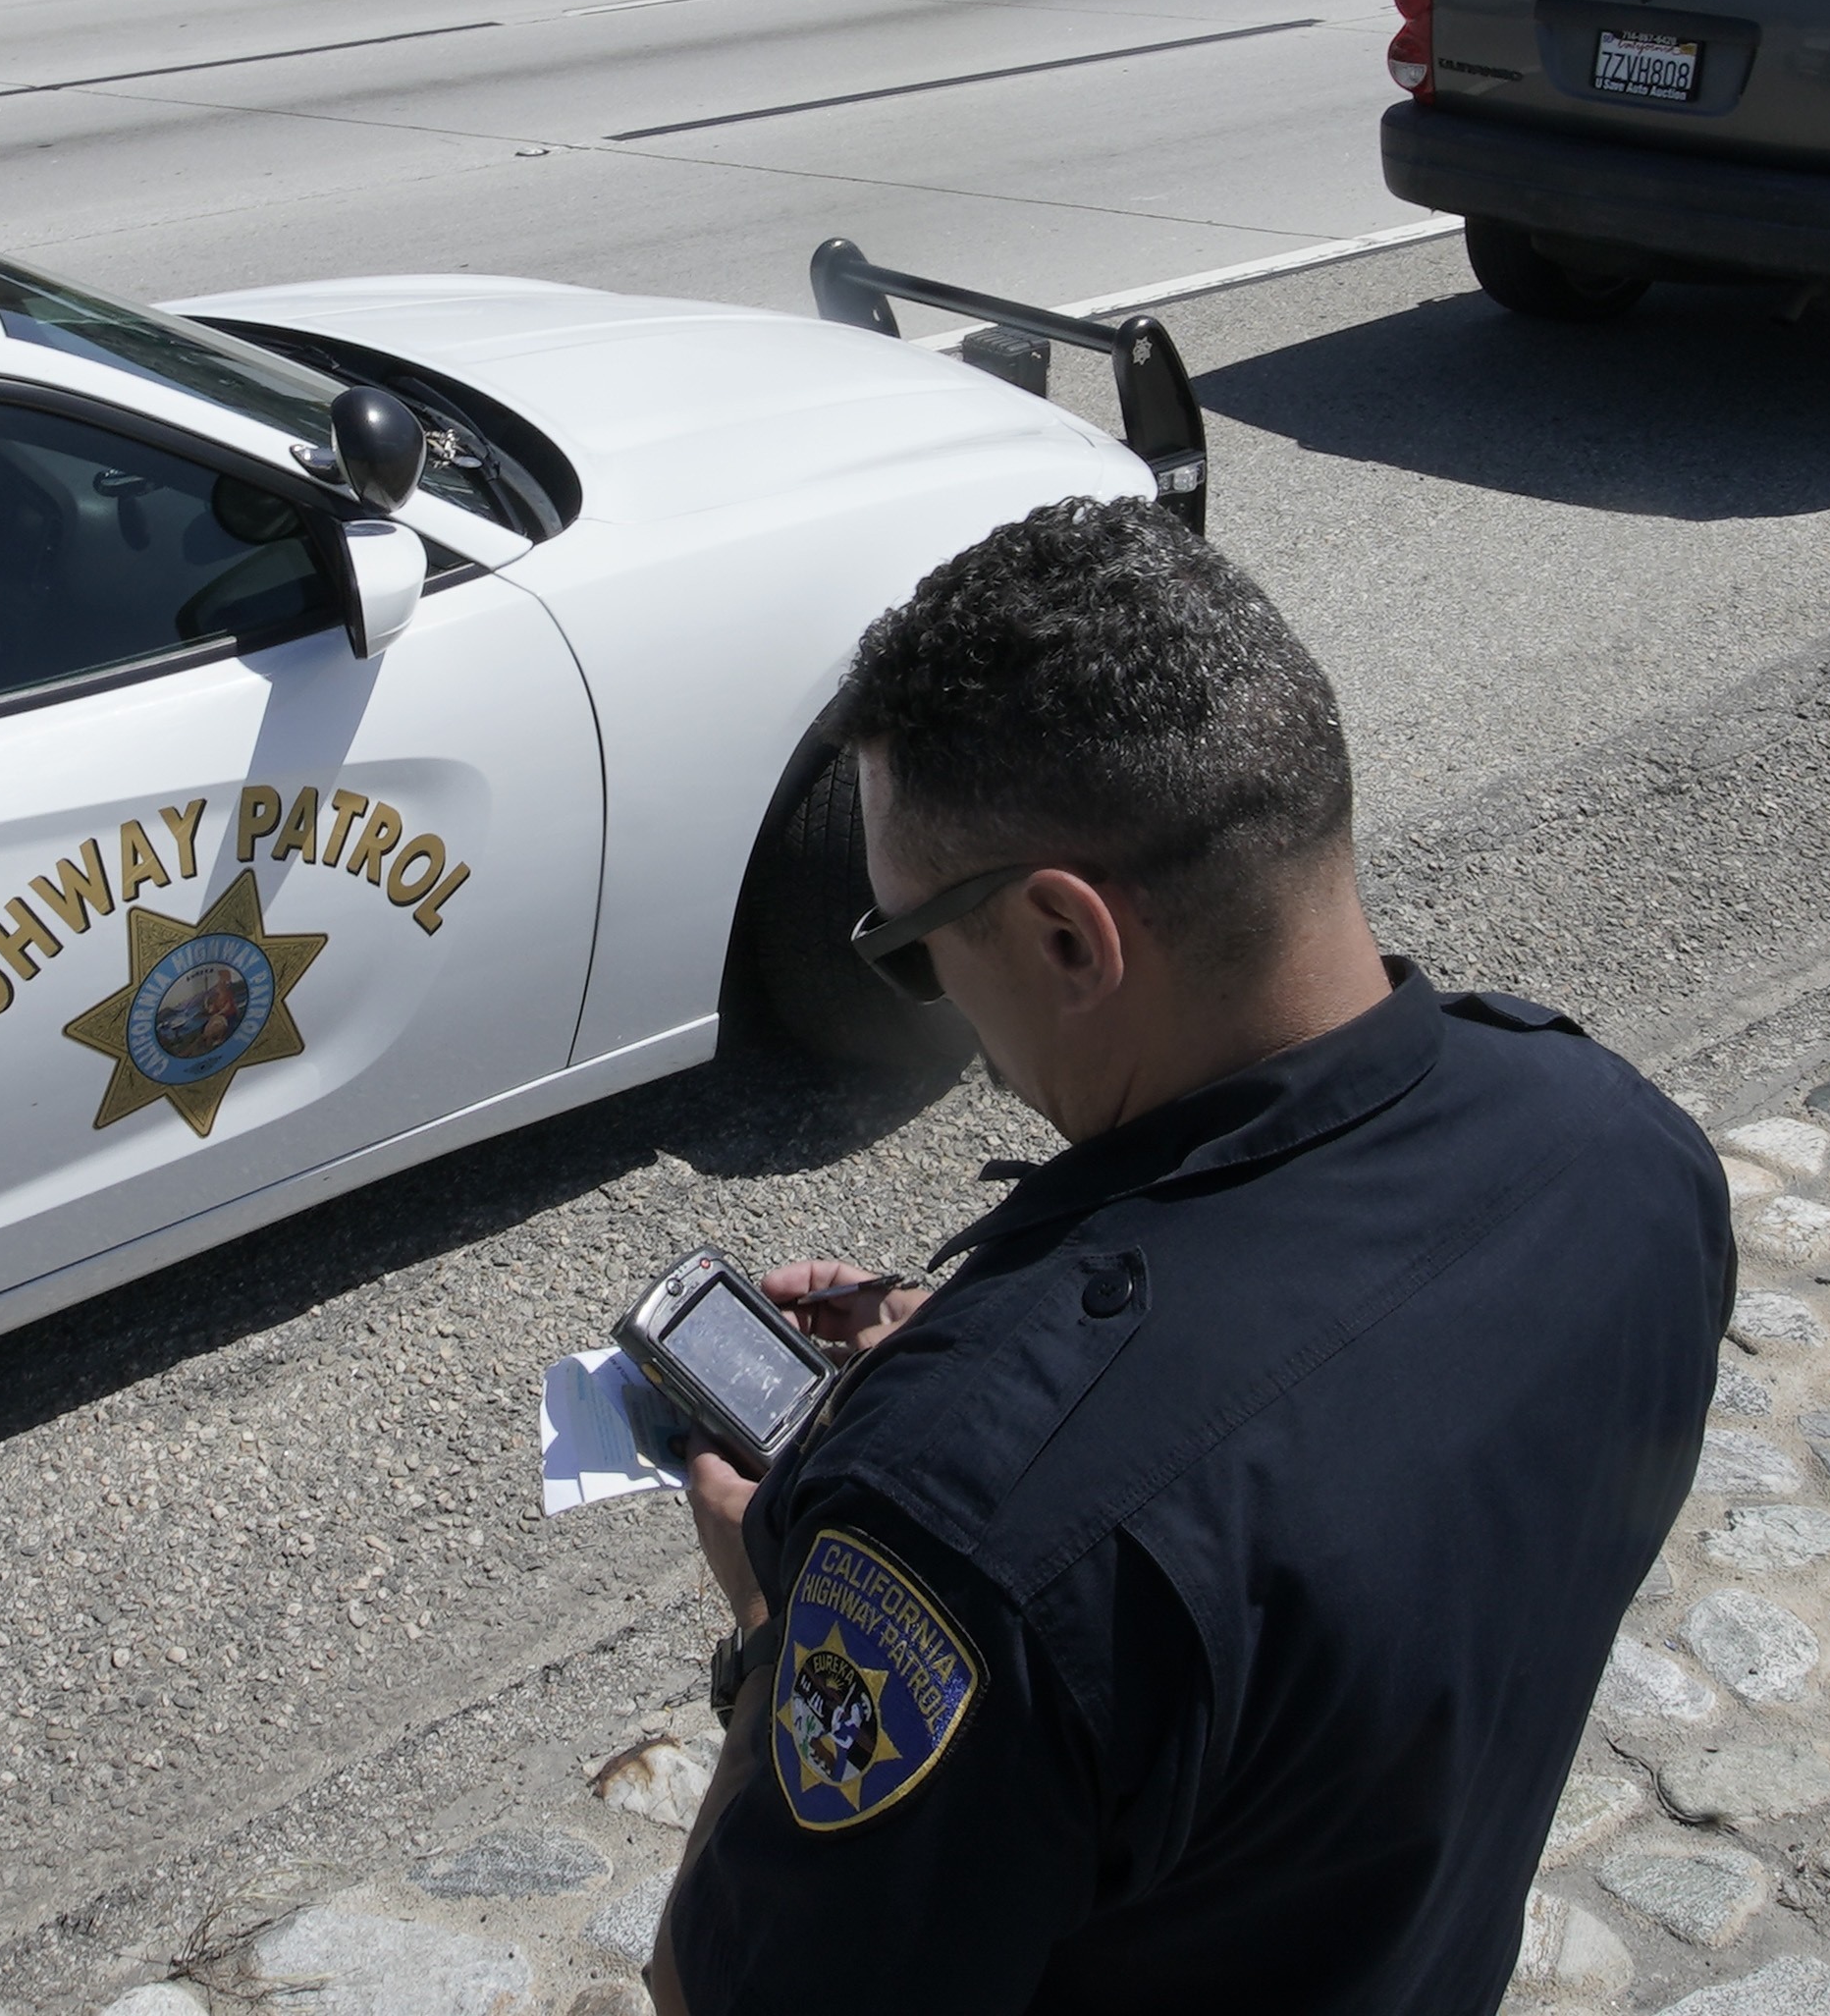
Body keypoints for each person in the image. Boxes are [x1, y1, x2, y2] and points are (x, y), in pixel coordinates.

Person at [652, 499, 1731, 2016]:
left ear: (1069, 940)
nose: (928, 1003)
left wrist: (779, 1637)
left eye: (907, 951)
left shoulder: (956, 1541)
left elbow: (731, 1998)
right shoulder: (1626, 1153)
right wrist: (989, 1364)